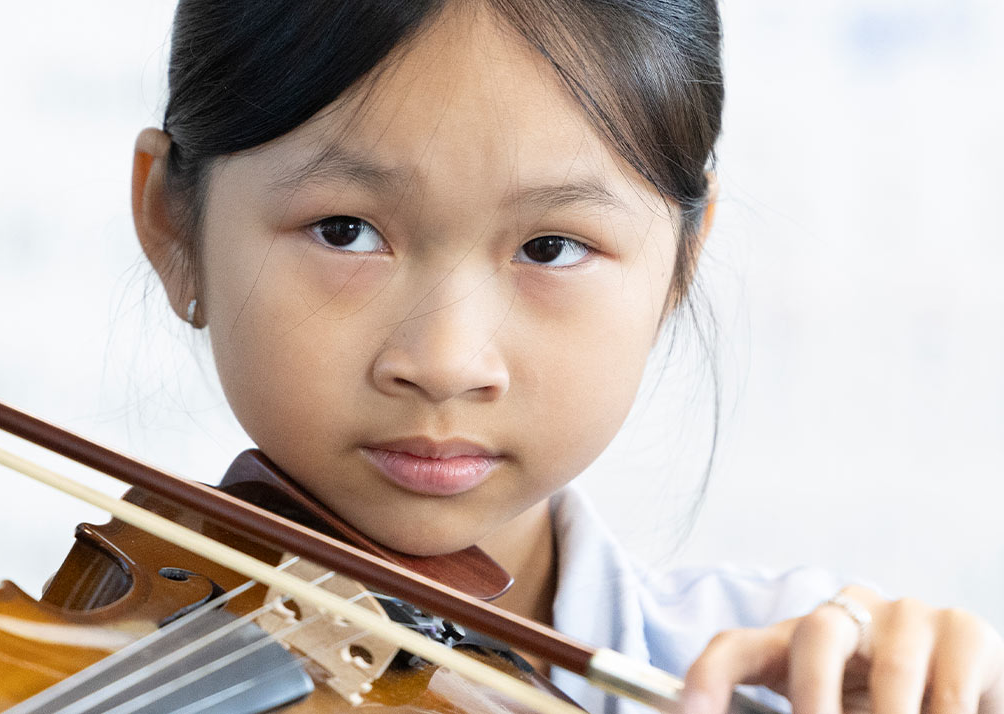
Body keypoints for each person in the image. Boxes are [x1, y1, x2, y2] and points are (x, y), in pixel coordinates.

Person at [121, 1, 1002, 714]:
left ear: (679, 266)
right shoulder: (52, 679)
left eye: (550, 248)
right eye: (345, 232)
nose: (446, 361)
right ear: (172, 224)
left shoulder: (778, 677)